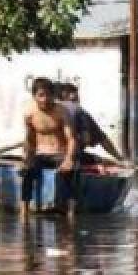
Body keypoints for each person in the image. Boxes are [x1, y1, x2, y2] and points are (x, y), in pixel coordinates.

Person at [22, 76, 77, 215]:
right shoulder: (29, 113)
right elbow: (29, 139)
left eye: (48, 95)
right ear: (34, 96)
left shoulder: (62, 111)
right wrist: (27, 157)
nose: (45, 99)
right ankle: (24, 210)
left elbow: (71, 138)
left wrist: (69, 159)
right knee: (28, 170)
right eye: (41, 95)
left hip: (59, 153)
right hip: (40, 154)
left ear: (53, 95)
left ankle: (70, 212)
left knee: (68, 171)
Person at [59, 82, 124, 165]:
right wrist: (119, 158)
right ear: (71, 95)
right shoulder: (77, 110)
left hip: (45, 157)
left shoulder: (44, 111)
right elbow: (100, 139)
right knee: (109, 163)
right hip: (71, 158)